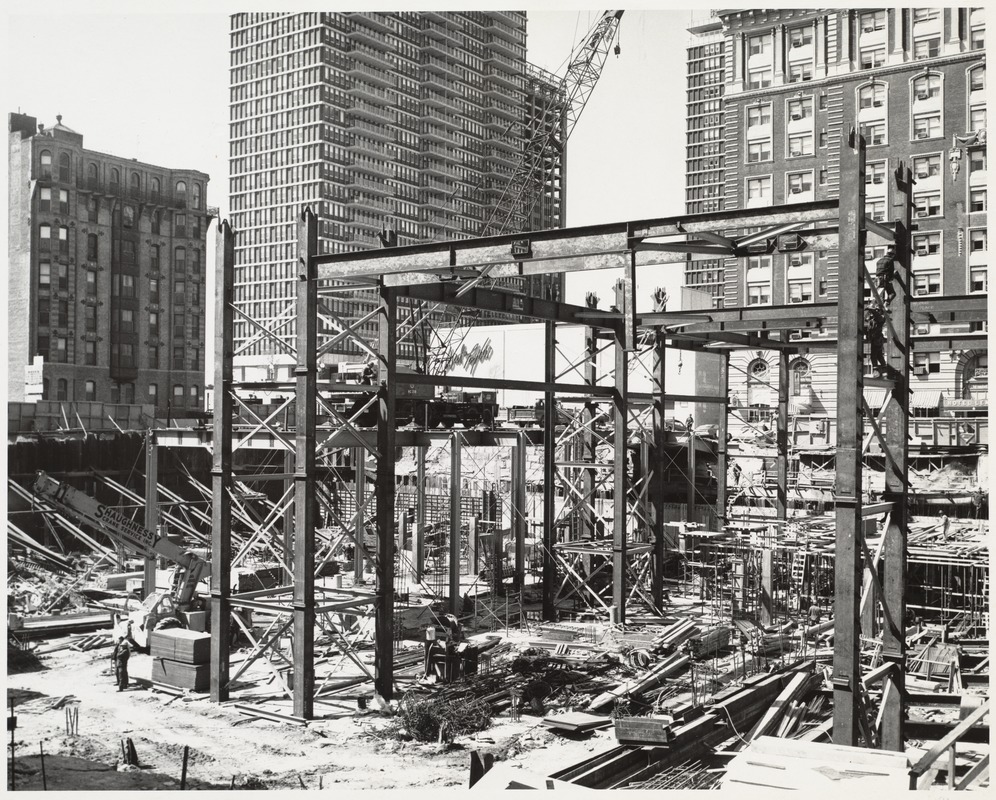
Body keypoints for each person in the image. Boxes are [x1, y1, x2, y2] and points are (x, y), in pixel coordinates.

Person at [863, 302, 888, 376]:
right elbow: (867, 322)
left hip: (877, 339)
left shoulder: (881, 318)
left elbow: (876, 315)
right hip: (875, 339)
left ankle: (876, 371)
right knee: (879, 355)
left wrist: (871, 309)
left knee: (874, 355)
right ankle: (884, 370)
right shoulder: (873, 319)